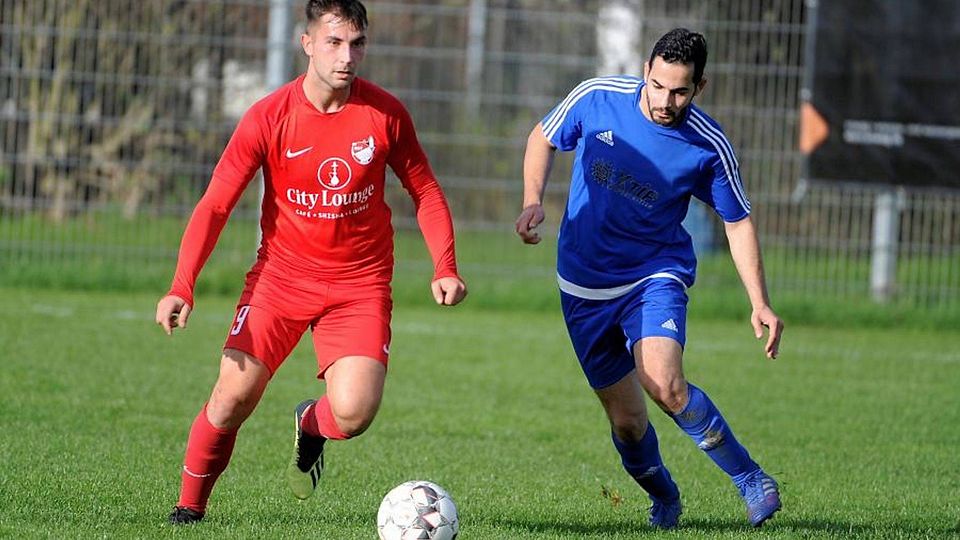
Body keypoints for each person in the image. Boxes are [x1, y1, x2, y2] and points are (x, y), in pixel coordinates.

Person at [155, 0, 467, 525]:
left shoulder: (385, 114)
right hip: (280, 279)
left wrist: (445, 265)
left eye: (358, 43)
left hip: (359, 286)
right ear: (307, 43)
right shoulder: (268, 117)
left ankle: (310, 422)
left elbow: (426, 190)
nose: (348, 56)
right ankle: (189, 511)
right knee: (231, 399)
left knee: (353, 413)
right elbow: (215, 204)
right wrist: (181, 284)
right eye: (334, 42)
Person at [514, 28, 784, 529]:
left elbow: (737, 219)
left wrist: (759, 302)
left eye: (680, 91)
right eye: (658, 85)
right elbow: (543, 137)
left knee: (663, 382)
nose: (666, 100)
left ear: (699, 87)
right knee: (628, 421)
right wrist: (533, 200)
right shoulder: (597, 98)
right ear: (646, 72)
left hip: (652, 275)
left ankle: (751, 479)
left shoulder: (708, 144)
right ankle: (664, 498)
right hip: (582, 284)